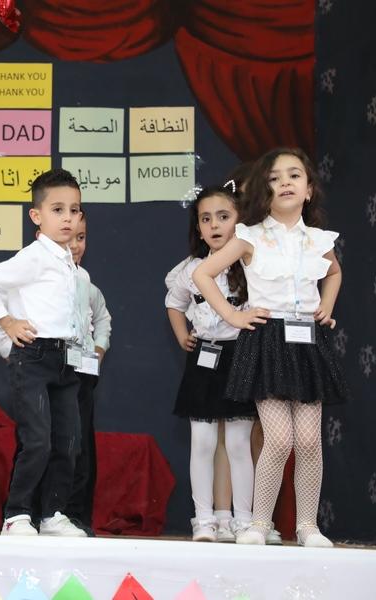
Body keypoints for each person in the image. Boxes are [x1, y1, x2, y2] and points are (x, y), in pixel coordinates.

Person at [192, 148, 350, 547]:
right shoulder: (250, 236)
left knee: (309, 440)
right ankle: (259, 523)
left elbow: (334, 273)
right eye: (275, 178)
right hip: (267, 340)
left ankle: (308, 526)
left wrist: (327, 305)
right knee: (278, 439)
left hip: (307, 341)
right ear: (265, 190)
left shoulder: (318, 240)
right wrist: (233, 315)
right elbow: (203, 273)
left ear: (309, 190)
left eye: (294, 175)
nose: (285, 183)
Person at [0, 168, 87, 537]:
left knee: (68, 442)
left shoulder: (68, 261)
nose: (68, 218)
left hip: (65, 359)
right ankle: (16, 514)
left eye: (74, 210)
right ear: (36, 216)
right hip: (34, 358)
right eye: (58, 209)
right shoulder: (35, 256)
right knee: (37, 440)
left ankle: (52, 514)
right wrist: (7, 322)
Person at [165, 185, 256, 542]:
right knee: (202, 442)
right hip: (204, 358)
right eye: (206, 219)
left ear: (239, 221)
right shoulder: (191, 269)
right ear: (198, 227)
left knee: (238, 443)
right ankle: (203, 520)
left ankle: (243, 521)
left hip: (240, 357)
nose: (214, 225)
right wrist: (181, 335)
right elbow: (174, 303)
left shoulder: (250, 264)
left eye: (223, 216)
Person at [65, 211, 111, 536]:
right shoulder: (38, 279)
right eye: (69, 238)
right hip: (49, 370)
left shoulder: (86, 281)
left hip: (82, 372)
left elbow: (103, 317)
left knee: (82, 446)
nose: (75, 246)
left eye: (81, 238)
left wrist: (99, 348)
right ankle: (40, 514)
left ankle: (78, 517)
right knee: (48, 443)